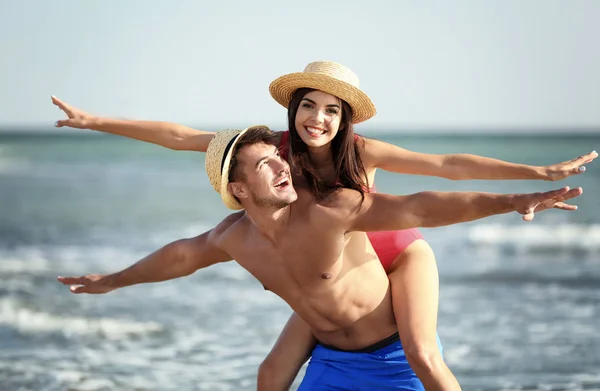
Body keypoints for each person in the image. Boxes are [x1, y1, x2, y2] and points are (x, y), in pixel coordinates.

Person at [50, 61, 597, 390]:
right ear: (293, 110)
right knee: (274, 371)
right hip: (328, 265)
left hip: (393, 249)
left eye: (332, 111)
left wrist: (533, 176)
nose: (318, 119)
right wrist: (95, 121)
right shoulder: (272, 152)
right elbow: (181, 137)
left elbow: (444, 174)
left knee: (424, 356)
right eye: (308, 106)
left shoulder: (360, 154)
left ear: (345, 118)